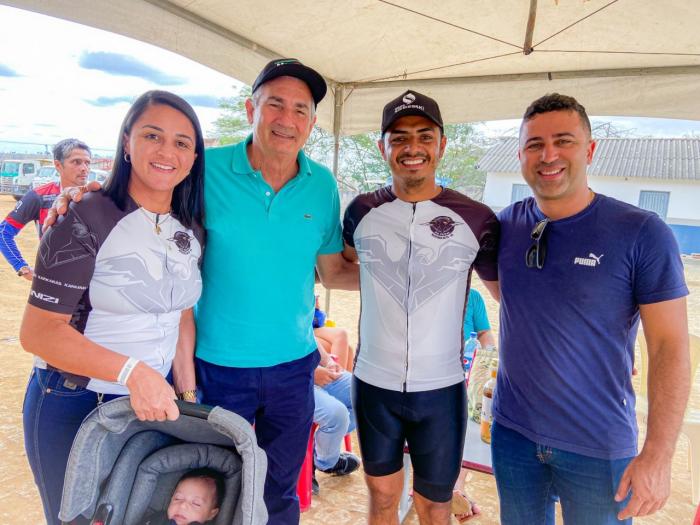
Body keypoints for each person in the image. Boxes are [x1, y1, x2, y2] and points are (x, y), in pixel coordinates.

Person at [492, 93, 690, 525]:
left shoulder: (641, 232)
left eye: (563, 141)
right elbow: (513, 299)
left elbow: (669, 346)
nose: (548, 156)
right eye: (534, 144)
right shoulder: (507, 225)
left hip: (598, 446)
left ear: (590, 149)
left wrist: (658, 454)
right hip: (513, 435)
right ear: (521, 155)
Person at [19, 90, 206, 525]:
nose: (167, 152)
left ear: (194, 158)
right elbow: (39, 332)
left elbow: (180, 313)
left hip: (154, 402)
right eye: (152, 135)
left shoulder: (192, 226)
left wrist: (187, 394)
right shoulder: (84, 214)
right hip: (74, 399)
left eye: (181, 142)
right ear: (126, 142)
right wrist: (133, 373)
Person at [192, 58, 358, 524]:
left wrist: (407, 272)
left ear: (312, 123)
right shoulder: (205, 169)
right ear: (251, 110)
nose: (288, 119)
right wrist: (84, 197)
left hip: (292, 367)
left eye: (301, 110)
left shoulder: (321, 184)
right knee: (215, 487)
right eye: (275, 105)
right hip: (218, 366)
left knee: (280, 489)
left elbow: (333, 271)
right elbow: (146, 205)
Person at [343, 91, 500, 525]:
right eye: (399, 138)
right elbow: (345, 266)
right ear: (383, 147)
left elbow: (506, 293)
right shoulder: (361, 210)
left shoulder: (477, 218)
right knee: (382, 497)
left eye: (424, 136)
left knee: (434, 505)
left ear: (442, 144)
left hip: (441, 388)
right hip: (374, 382)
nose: (412, 147)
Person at [0, 138, 91, 280]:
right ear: (58, 165)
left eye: (87, 162)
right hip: (52, 280)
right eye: (76, 162)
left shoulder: (98, 197)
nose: (84, 168)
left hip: (91, 282)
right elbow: (3, 232)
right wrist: (21, 267)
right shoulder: (39, 196)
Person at [311, 344, 359, 495]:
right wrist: (309, 372)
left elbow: (308, 335)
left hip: (313, 367)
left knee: (367, 394)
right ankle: (324, 460)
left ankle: (320, 454)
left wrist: (327, 362)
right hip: (287, 376)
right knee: (337, 415)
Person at [139, 468, 224, 525]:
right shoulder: (157, 519)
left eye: (196, 503)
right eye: (178, 498)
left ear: (211, 514)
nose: (182, 505)